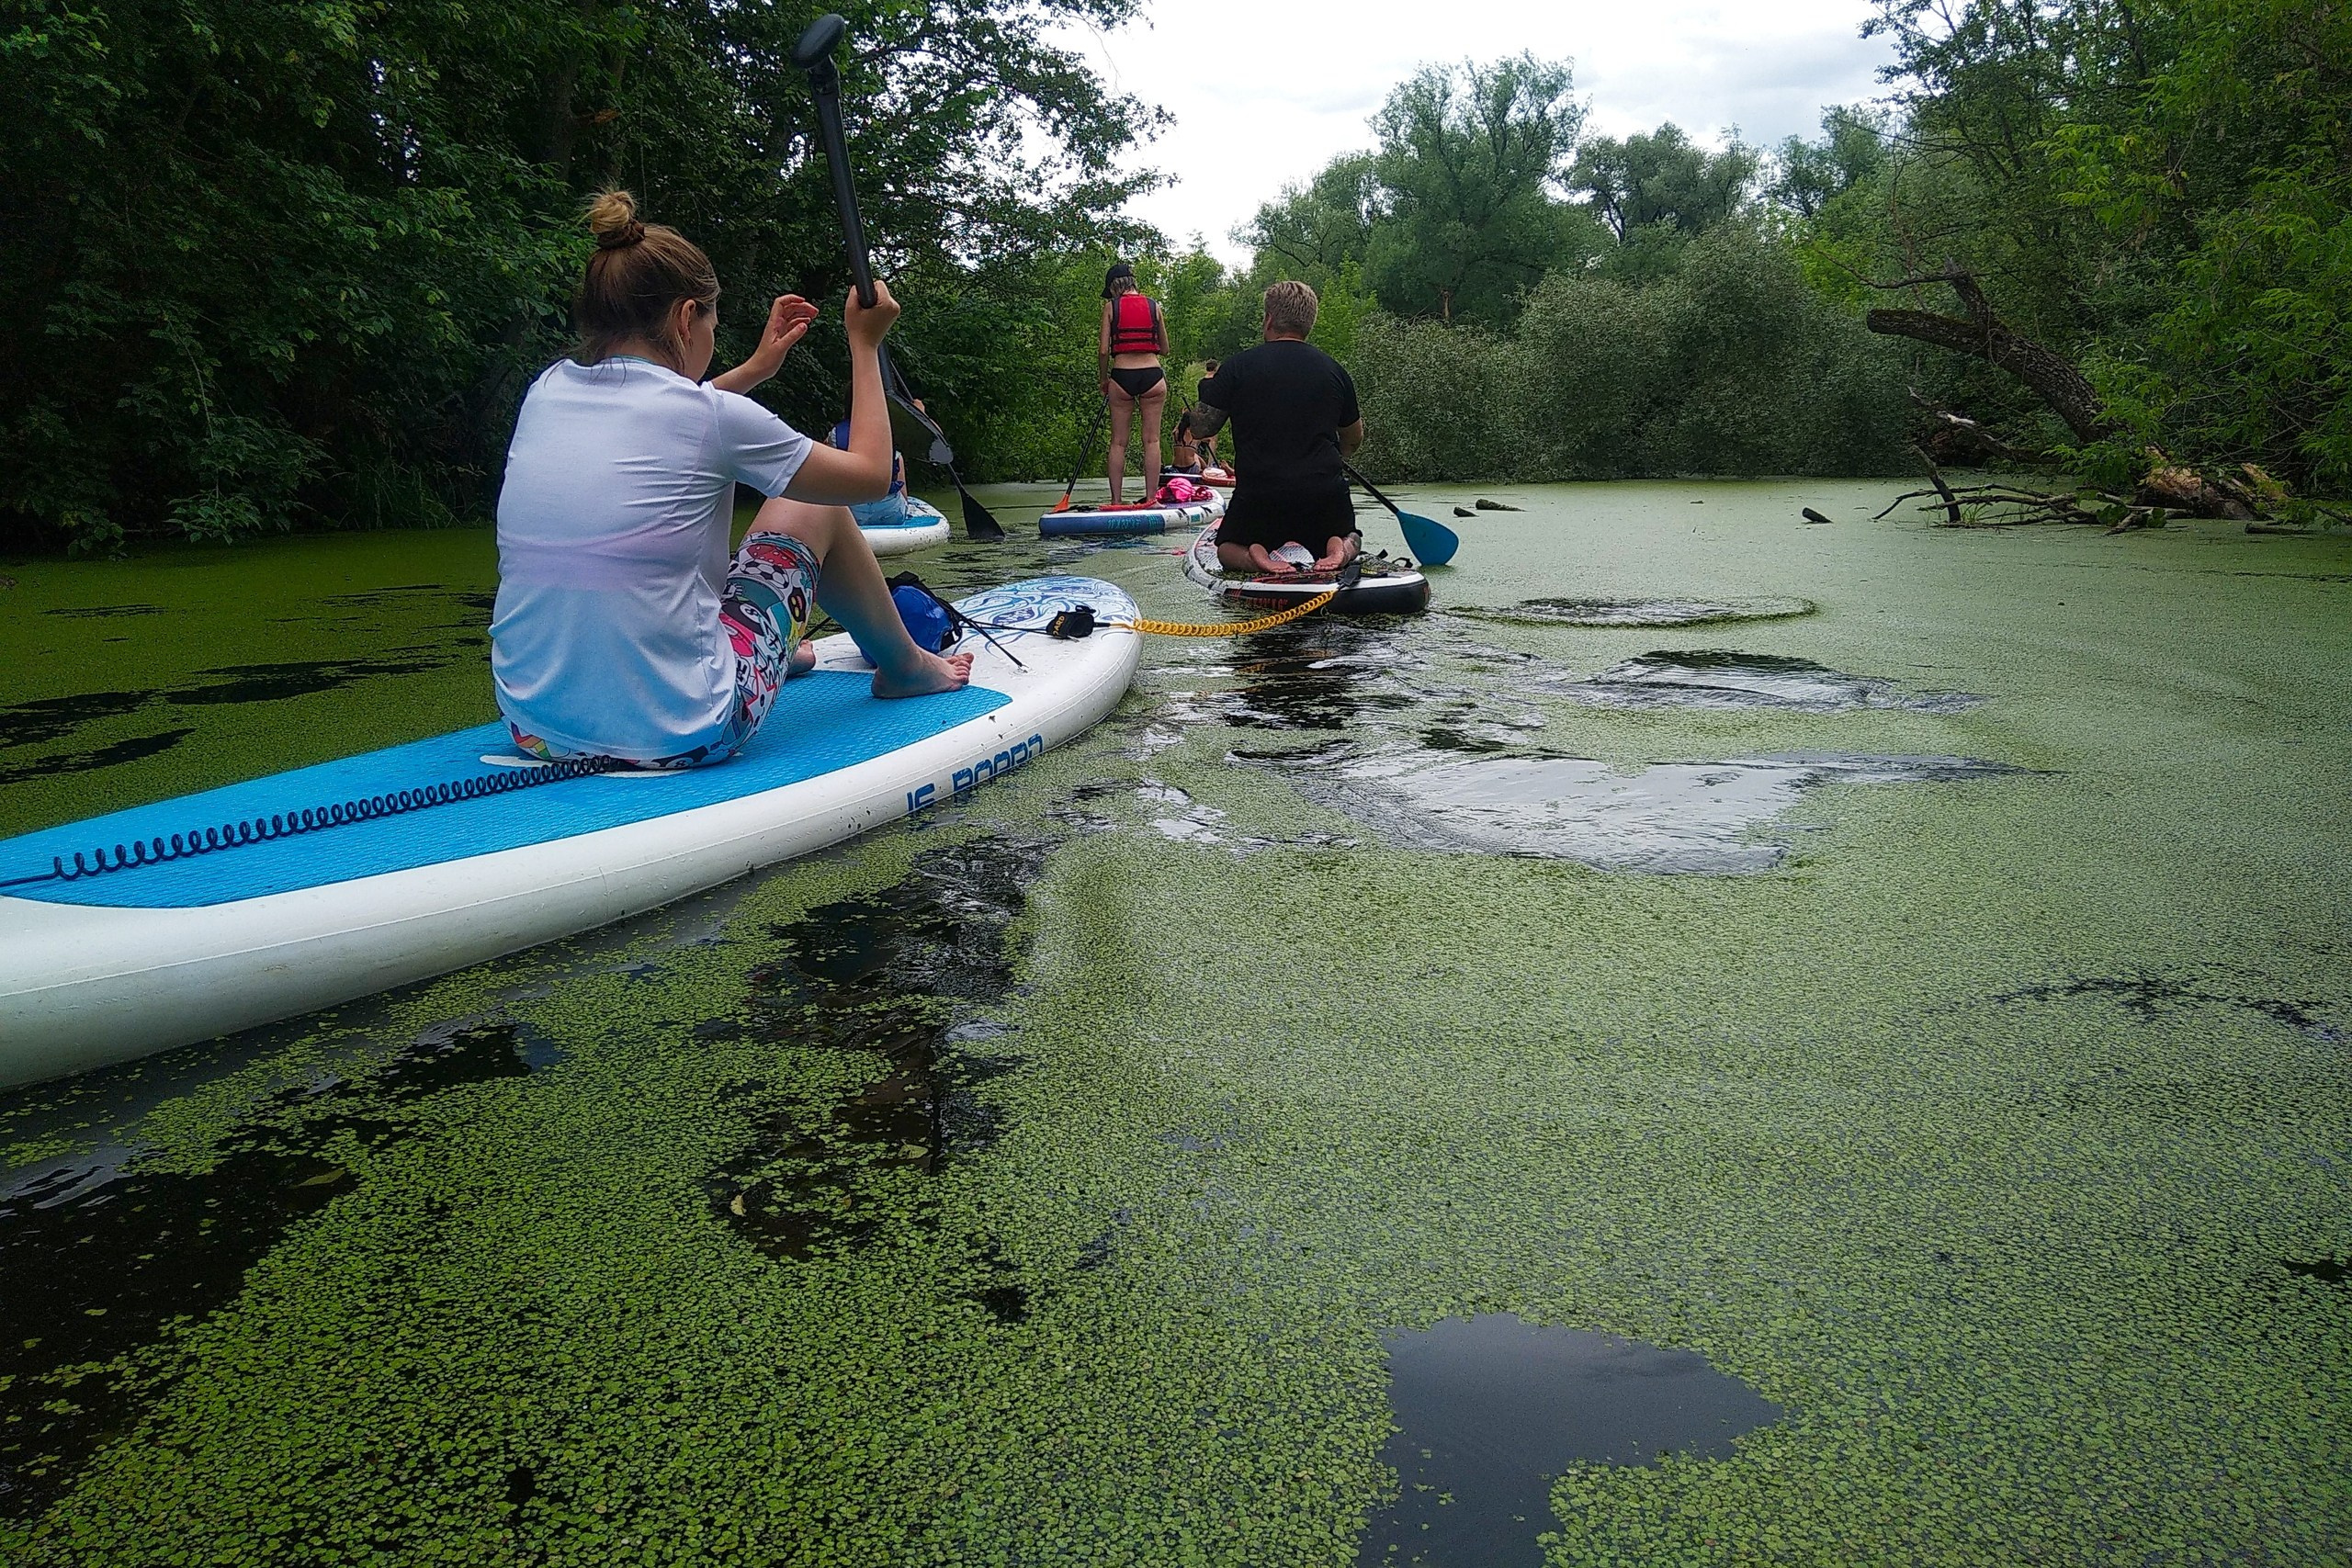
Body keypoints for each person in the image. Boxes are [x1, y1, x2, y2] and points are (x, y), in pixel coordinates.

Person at [490, 189, 970, 772]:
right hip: (687, 729)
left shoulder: (546, 392)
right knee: (813, 507)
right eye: (713, 324)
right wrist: (864, 346)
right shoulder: (708, 418)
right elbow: (869, 476)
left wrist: (756, 369)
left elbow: (667, 422)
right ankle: (907, 669)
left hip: (533, 727)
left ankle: (769, 646)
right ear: (686, 318)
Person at [1190, 282, 1363, 574]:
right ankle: (1337, 547)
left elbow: (1200, 428)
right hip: (1322, 492)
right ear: (1309, 324)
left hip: (1260, 493)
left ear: (1268, 319)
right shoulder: (1335, 371)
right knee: (1353, 536)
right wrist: (1336, 457)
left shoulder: (1237, 367)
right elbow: (1354, 439)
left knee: (1227, 550)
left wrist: (1208, 390)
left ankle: (1256, 554)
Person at [1097, 261, 1168, 504]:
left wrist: (1104, 379)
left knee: (1118, 441)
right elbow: (1165, 349)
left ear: (1115, 287)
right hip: (1153, 376)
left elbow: (1104, 351)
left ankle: (1116, 502)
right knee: (1152, 440)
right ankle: (1151, 499)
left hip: (1122, 376)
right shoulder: (1154, 306)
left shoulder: (1110, 307)